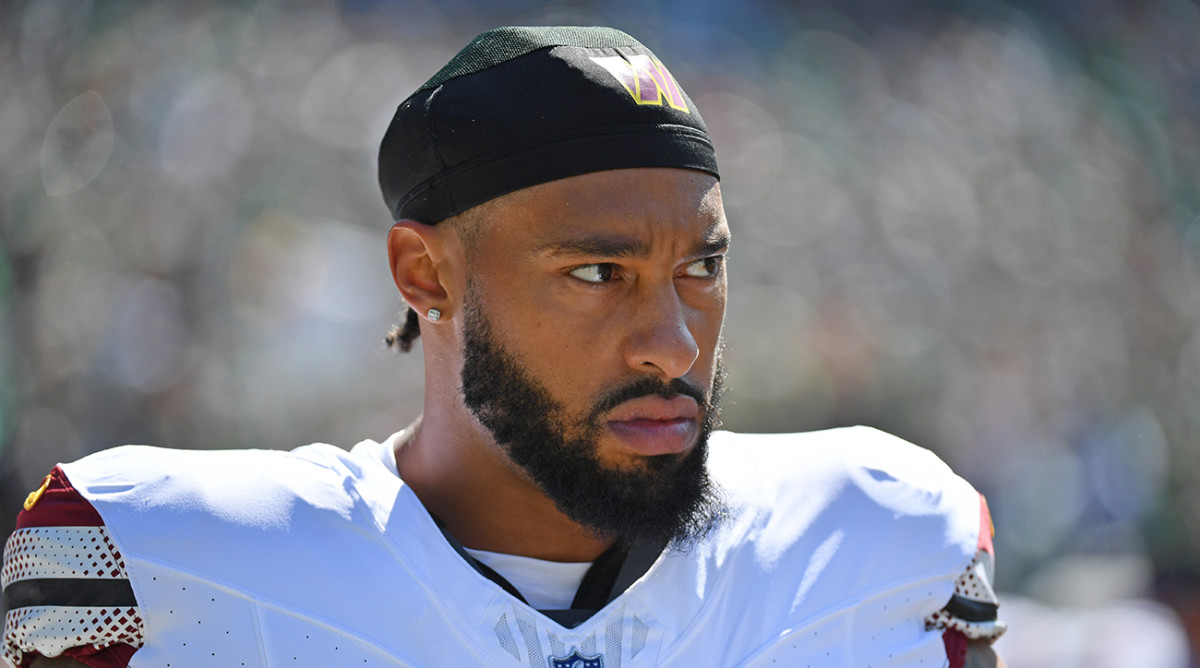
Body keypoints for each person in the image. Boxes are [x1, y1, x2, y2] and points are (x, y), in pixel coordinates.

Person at [2, 26, 1006, 668]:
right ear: (425, 275)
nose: (671, 344)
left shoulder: (889, 533)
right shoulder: (159, 562)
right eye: (595, 273)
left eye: (700, 268)